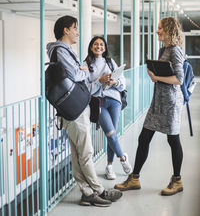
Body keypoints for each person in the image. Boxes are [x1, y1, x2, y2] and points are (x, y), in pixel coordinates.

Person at [46, 16, 122, 207]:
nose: (77, 32)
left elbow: (77, 74)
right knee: (86, 153)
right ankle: (99, 191)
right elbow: (77, 74)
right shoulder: (61, 50)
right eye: (75, 28)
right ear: (66, 30)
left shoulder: (63, 51)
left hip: (72, 107)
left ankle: (87, 192)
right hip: (74, 109)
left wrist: (82, 70)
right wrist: (85, 70)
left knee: (77, 154)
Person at [114, 17, 185, 196]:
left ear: (168, 29)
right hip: (158, 101)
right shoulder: (164, 49)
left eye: (160, 28)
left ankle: (177, 181)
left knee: (173, 139)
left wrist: (156, 77)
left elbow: (179, 79)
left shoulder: (175, 51)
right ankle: (134, 178)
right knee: (144, 137)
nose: (157, 31)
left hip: (170, 102)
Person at [84, 36, 132, 180]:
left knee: (113, 135)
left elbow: (122, 82)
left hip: (115, 100)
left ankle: (109, 166)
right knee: (110, 133)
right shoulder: (86, 64)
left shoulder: (110, 62)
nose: (99, 46)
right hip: (99, 102)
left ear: (104, 47)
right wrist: (99, 81)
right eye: (95, 44)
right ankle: (123, 158)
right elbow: (86, 89)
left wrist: (115, 82)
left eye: (101, 44)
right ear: (91, 47)